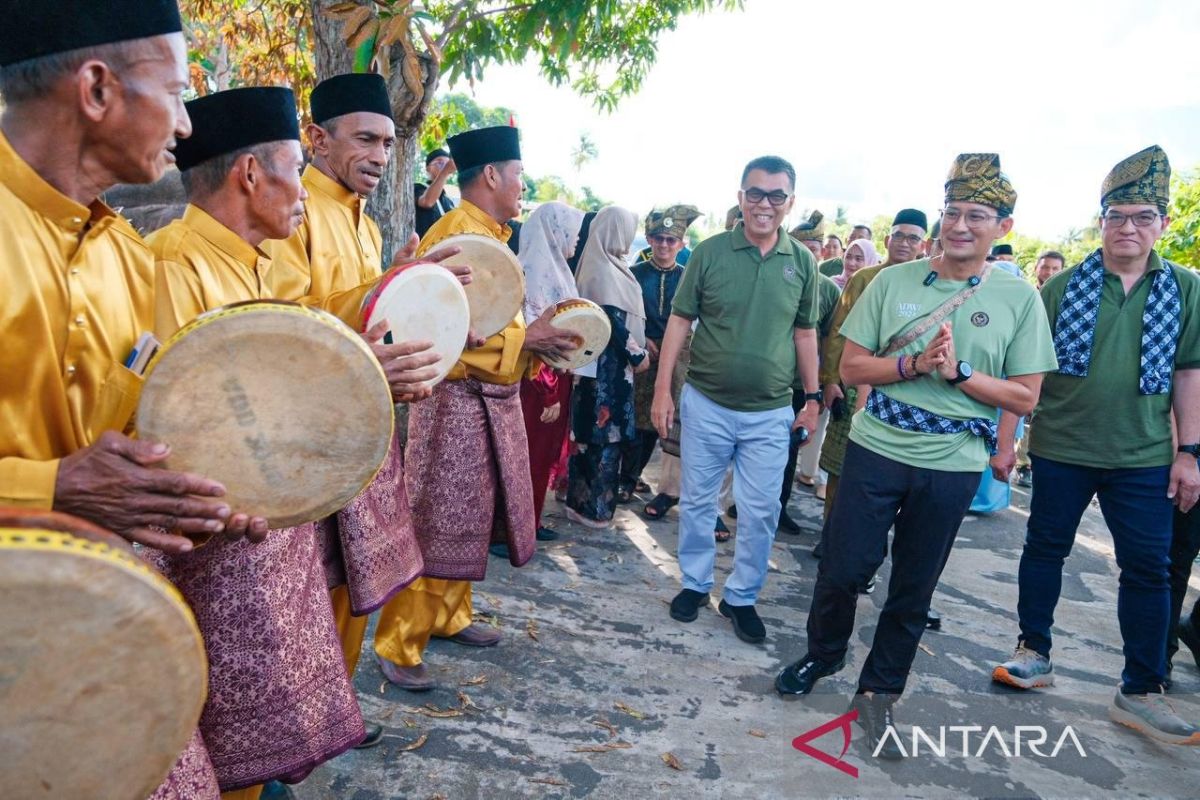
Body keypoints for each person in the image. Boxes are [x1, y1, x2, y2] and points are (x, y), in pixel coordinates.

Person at [0, 3, 246, 795]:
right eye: (175, 93)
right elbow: (78, 479)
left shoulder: (131, 263)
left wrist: (198, 495)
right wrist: (50, 486)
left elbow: (123, 444)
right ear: (98, 89)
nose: (184, 123)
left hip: (84, 637)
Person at [777, 154, 1057, 758]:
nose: (960, 225)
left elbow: (1025, 393)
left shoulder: (1018, 298)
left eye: (976, 215)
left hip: (954, 462)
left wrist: (958, 375)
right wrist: (912, 365)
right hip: (877, 448)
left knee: (913, 587)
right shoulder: (892, 282)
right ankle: (823, 655)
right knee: (842, 569)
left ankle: (877, 695)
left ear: (1002, 227)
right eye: (951, 212)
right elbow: (852, 367)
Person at [146, 86, 376, 799]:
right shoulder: (169, 267)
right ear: (249, 174)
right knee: (206, 706)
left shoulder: (263, 267)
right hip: (201, 533)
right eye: (294, 168)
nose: (304, 190)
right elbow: (173, 424)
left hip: (257, 525)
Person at [270, 72, 454, 752]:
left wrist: (400, 281)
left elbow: (367, 315)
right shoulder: (296, 211)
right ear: (317, 138)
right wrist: (378, 289)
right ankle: (291, 739)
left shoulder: (363, 218)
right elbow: (286, 325)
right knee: (306, 598)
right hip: (310, 433)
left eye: (388, 142)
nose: (380, 155)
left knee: (350, 588)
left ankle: (332, 717)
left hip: (360, 431)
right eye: (366, 139)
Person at [992, 145, 1200, 745]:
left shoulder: (1185, 290)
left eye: (1142, 217)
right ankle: (1034, 651)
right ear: (1100, 221)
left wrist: (1190, 452)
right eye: (1117, 216)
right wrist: (1008, 445)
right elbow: (1023, 372)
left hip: (1143, 456)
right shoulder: (1060, 288)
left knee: (1149, 571)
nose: (1128, 228)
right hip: (1061, 447)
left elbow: (1189, 373)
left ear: (1161, 223)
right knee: (1044, 549)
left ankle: (1140, 688)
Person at [371, 125, 581, 692]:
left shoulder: (490, 233)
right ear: (491, 175)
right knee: (434, 516)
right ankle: (399, 640)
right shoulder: (457, 237)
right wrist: (526, 341)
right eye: (518, 174)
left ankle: (448, 615)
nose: (522, 185)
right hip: (455, 398)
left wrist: (533, 341)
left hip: (491, 396)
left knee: (470, 514)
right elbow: (444, 331)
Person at [654, 155, 821, 645]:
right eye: (754, 193)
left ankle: (742, 596)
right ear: (740, 196)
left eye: (775, 196)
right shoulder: (709, 253)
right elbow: (680, 323)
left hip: (770, 410)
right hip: (706, 401)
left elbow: (805, 333)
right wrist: (663, 390)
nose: (763, 204)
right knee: (699, 500)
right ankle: (694, 583)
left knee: (761, 507)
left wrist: (811, 399)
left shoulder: (803, 263)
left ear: (790, 203)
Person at [817, 208, 928, 523]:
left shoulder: (931, 283)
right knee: (842, 465)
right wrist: (830, 380)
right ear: (887, 239)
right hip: (853, 385)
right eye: (899, 236)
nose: (904, 243)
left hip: (905, 389)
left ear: (924, 244)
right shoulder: (865, 277)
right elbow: (837, 332)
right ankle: (831, 531)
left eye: (913, 238)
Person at [567, 206, 650, 527]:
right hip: (606, 373)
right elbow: (613, 323)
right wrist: (638, 355)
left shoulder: (604, 265)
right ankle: (595, 510)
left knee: (590, 439)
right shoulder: (602, 270)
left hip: (600, 371)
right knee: (604, 441)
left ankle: (579, 504)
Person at [513, 201, 586, 545]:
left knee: (538, 457)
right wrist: (550, 391)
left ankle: (530, 520)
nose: (576, 240)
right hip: (537, 384)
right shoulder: (535, 274)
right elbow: (537, 340)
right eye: (572, 233)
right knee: (525, 456)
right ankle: (511, 528)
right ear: (554, 233)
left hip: (555, 379)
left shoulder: (557, 270)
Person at [621, 205, 700, 503]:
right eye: (659, 238)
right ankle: (627, 479)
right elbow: (625, 315)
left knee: (662, 421)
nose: (664, 245)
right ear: (649, 239)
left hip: (678, 358)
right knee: (636, 420)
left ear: (682, 243)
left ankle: (644, 478)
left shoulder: (688, 277)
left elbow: (693, 320)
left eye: (671, 240)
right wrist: (641, 343)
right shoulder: (634, 274)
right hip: (642, 355)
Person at [414, 146, 456, 238]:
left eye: (447, 163)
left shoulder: (448, 200)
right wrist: (445, 172)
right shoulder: (418, 188)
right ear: (428, 168)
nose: (445, 166)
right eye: (440, 163)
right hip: (423, 249)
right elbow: (427, 202)